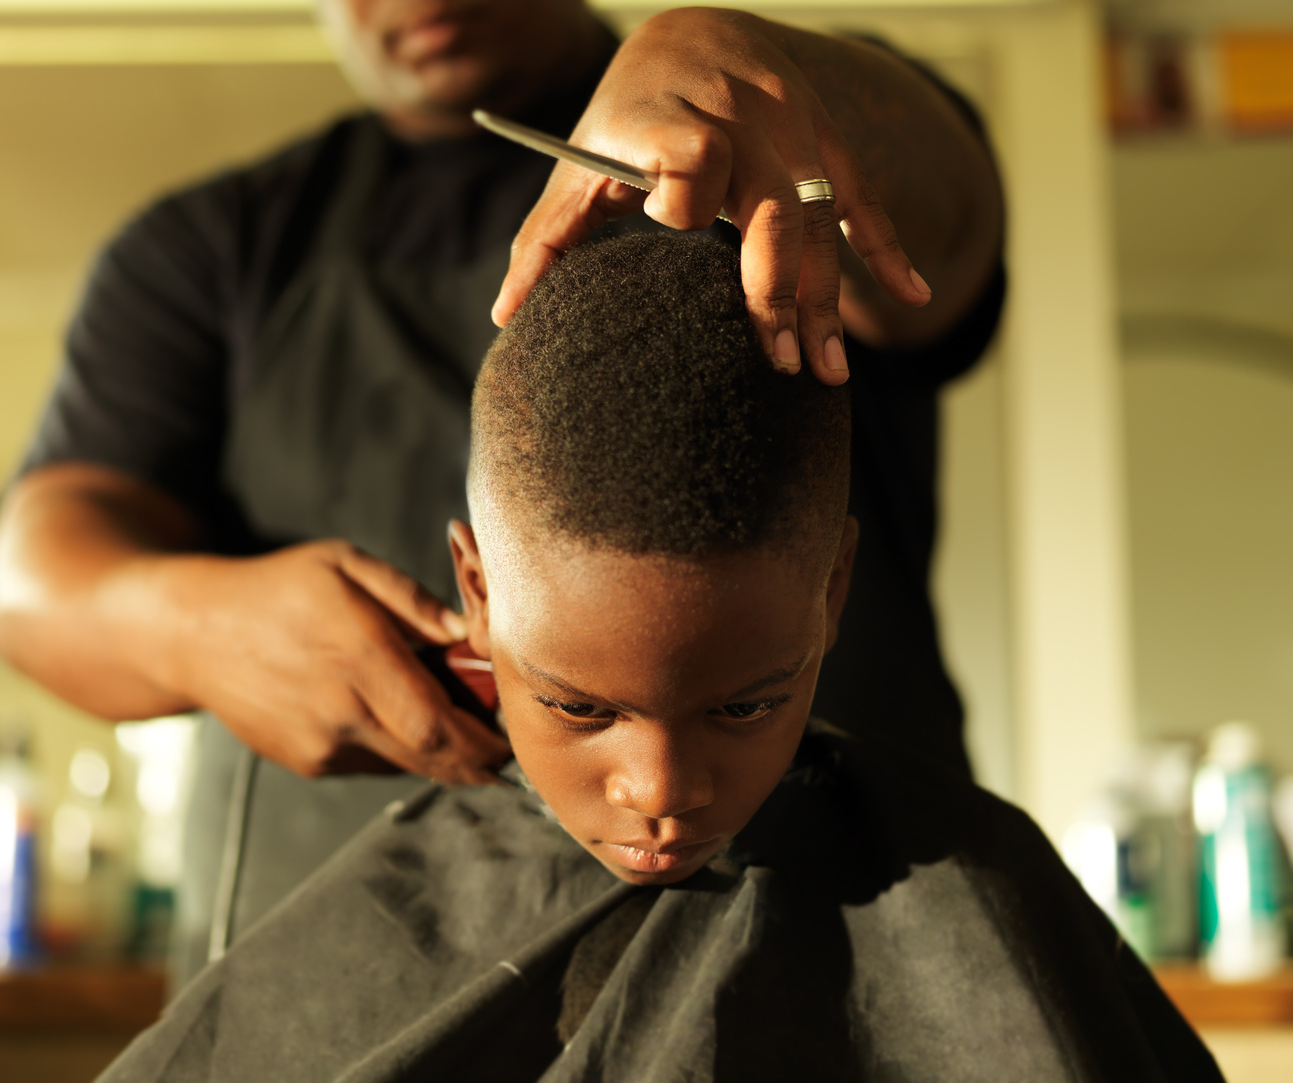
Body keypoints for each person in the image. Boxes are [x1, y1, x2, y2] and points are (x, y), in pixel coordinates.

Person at [0, 3, 1004, 985]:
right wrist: (194, 627)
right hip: (363, 977)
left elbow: (950, 223)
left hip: (839, 950)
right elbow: (35, 584)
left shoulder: (789, 142)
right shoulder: (211, 252)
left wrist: (736, 58)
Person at [95, 234, 1217, 1083]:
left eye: (743, 708)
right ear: (475, 592)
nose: (664, 793)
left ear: (833, 589)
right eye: (582, 710)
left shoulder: (969, 887)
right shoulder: (222, 248)